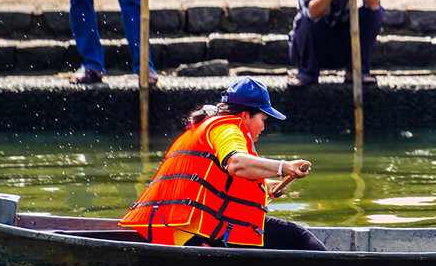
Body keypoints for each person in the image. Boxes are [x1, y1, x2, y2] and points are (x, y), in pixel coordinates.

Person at [119, 78, 327, 250]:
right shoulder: (228, 128)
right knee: (299, 238)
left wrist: (266, 187)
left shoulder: (208, 126)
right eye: (263, 119)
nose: (263, 127)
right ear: (245, 115)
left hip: (177, 230)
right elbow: (235, 163)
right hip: (196, 234)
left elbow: (216, 182)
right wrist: (285, 167)